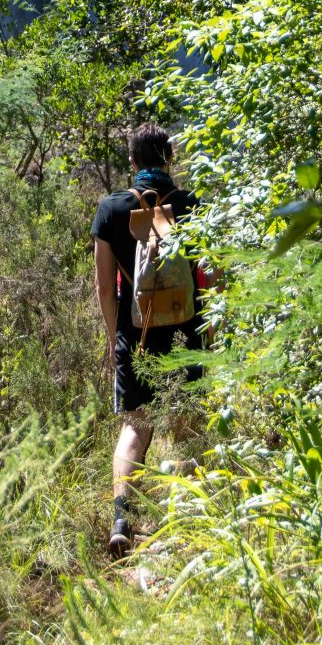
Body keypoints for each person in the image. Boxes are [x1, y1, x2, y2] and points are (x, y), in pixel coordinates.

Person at [91, 121, 203, 559]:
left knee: (135, 426)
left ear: (133, 161)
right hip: (186, 331)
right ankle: (195, 515)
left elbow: (104, 287)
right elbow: (208, 276)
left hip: (133, 335)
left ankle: (122, 517)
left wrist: (112, 335)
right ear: (170, 158)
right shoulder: (191, 204)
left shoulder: (110, 209)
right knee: (189, 419)